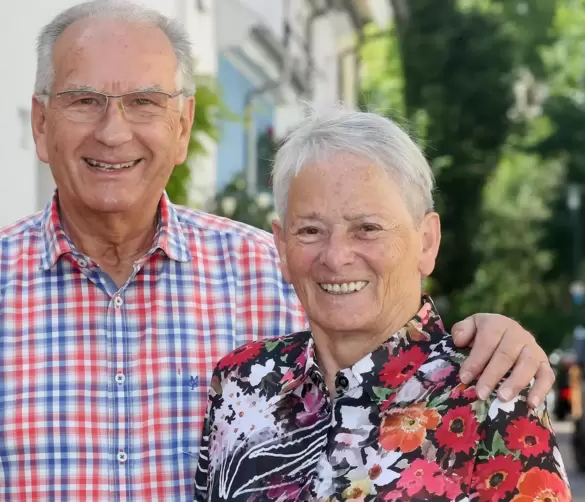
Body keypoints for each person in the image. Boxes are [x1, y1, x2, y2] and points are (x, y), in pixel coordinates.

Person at [0, 2, 555, 501]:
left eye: (143, 101)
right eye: (83, 100)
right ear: (41, 124)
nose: (113, 132)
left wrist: (490, 337)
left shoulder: (276, 270)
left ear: (181, 123)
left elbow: (385, 318)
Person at [193, 106, 571, 501]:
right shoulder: (243, 382)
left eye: (367, 228)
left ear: (426, 241)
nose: (336, 256)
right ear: (283, 247)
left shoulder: (493, 401)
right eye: (310, 230)